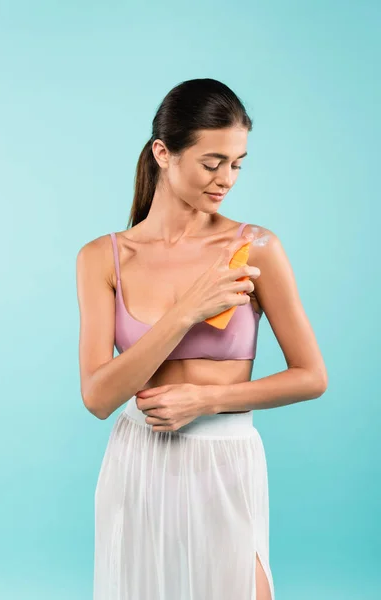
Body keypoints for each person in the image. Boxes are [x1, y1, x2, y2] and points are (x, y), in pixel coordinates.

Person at [76, 78, 328, 600]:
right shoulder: (103, 258)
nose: (226, 179)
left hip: (226, 460)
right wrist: (186, 313)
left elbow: (312, 377)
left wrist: (207, 399)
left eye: (237, 164)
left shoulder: (255, 248)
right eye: (212, 163)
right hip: (138, 462)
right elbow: (99, 398)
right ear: (163, 153)